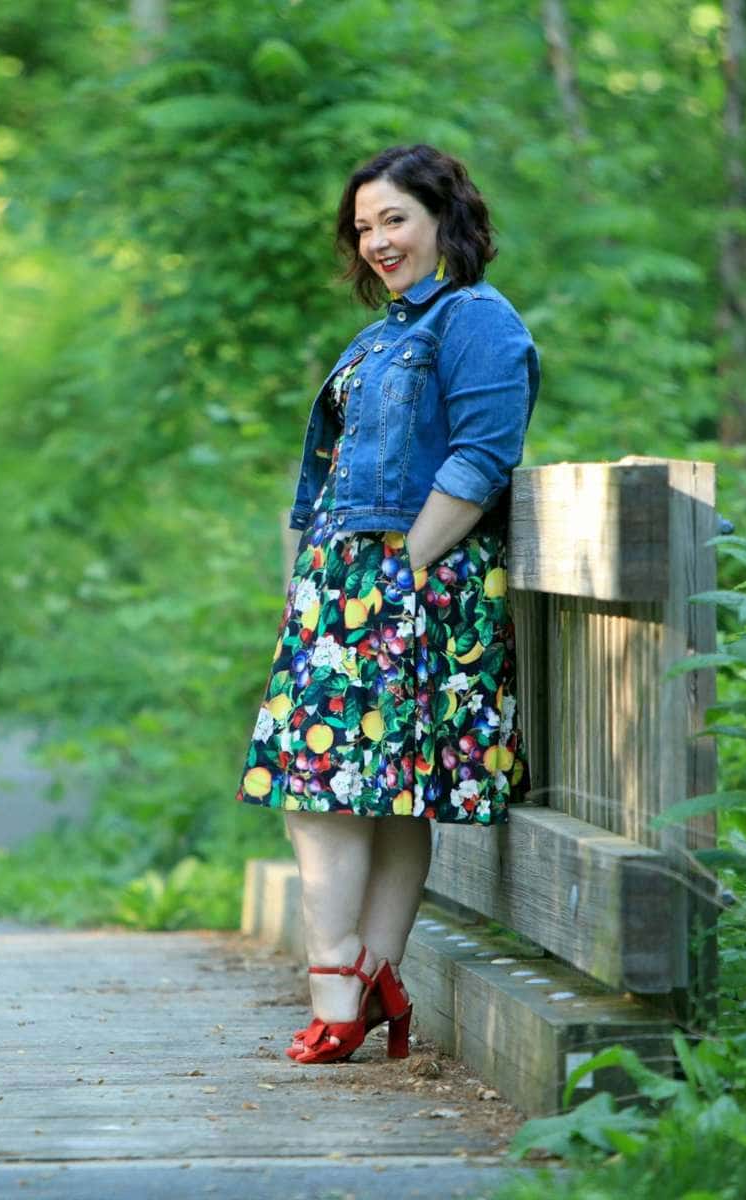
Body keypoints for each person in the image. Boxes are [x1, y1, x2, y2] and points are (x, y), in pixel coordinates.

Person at [235, 144, 539, 1064]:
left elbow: (482, 457)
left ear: (445, 220)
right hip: (343, 586)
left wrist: (399, 567)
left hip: (411, 582)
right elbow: (319, 480)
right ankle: (367, 975)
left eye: (392, 219)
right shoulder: (375, 338)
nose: (374, 241)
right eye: (362, 227)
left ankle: (340, 982)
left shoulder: (477, 318)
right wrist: (309, 588)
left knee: (330, 793)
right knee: (371, 792)